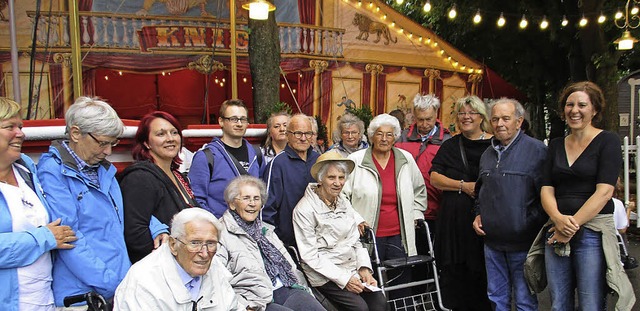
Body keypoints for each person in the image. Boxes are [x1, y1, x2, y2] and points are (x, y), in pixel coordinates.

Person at [37, 97, 143, 307]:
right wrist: (113, 284)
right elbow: (69, 238)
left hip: (116, 287)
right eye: (102, 143)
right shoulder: (52, 171)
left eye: (113, 143)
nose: (108, 152)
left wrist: (157, 228)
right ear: (76, 133)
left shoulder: (103, 169)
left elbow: (120, 215)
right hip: (82, 296)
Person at [539, 82, 634, 310]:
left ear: (595, 110)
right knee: (559, 302)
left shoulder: (607, 141)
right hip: (557, 228)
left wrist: (570, 227)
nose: (574, 110)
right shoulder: (555, 145)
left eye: (582, 105)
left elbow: (604, 192)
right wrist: (558, 220)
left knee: (591, 303)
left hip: (593, 233)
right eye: (569, 105)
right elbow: (546, 188)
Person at [0, 97, 77, 311]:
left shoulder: (25, 169)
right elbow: (48, 235)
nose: (20, 133)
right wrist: (44, 238)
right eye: (9, 127)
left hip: (44, 300)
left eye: (21, 127)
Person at [472, 98, 547, 311]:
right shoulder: (487, 153)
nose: (499, 124)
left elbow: (547, 195)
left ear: (519, 121)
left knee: (524, 301)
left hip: (523, 243)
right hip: (492, 242)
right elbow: (481, 191)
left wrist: (526, 223)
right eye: (495, 119)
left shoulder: (537, 151)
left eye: (506, 118)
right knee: (496, 299)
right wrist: (479, 213)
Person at [293, 152, 387, 311]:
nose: (337, 183)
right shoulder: (304, 209)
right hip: (323, 275)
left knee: (379, 302)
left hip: (350, 267)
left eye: (341, 177)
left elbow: (355, 241)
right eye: (331, 178)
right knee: (359, 308)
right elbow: (310, 255)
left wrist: (364, 269)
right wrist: (345, 279)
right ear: (320, 179)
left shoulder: (343, 202)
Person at [217, 175, 324, 311]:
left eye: (256, 198)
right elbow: (218, 280)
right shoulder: (220, 233)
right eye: (246, 198)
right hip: (253, 300)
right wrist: (243, 306)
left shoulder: (266, 230)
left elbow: (291, 267)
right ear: (232, 203)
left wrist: (304, 289)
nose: (252, 203)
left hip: (285, 287)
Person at [429, 96, 492, 311]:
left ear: (481, 116)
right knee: (453, 274)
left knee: (482, 272)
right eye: (462, 113)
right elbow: (435, 178)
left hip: (484, 221)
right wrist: (463, 186)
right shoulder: (450, 145)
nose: (466, 117)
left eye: (471, 113)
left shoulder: (495, 145)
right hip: (453, 223)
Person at [114, 208, 241, 310]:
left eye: (211, 243)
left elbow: (232, 306)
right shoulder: (144, 279)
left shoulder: (215, 268)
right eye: (195, 243)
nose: (204, 253)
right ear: (173, 245)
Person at [343, 113, 427, 261]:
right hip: (366, 234)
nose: (384, 139)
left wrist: (416, 213)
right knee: (371, 278)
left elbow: (419, 190)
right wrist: (356, 219)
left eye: (389, 134)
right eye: (379, 134)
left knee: (400, 280)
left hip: (400, 235)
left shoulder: (405, 159)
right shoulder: (355, 160)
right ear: (371, 136)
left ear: (395, 137)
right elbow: (342, 196)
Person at [120, 111, 199, 263]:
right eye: (161, 134)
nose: (170, 139)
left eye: (174, 132)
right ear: (146, 142)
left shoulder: (178, 175)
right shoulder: (140, 178)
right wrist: (167, 261)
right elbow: (135, 233)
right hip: (161, 268)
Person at [189, 99, 263, 218]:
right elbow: (196, 199)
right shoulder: (206, 157)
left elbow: (262, 192)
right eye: (233, 119)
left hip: (252, 228)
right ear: (221, 121)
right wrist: (216, 225)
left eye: (243, 119)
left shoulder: (256, 154)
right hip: (220, 229)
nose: (239, 124)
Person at [262, 113, 320, 247]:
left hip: (318, 241)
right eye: (298, 133)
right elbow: (267, 209)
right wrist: (275, 243)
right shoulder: (277, 164)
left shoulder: (319, 160)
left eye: (308, 133)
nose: (304, 138)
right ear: (288, 135)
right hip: (289, 243)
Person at [395, 94, 451, 229]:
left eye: (429, 119)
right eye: (420, 120)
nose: (425, 124)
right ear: (414, 116)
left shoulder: (447, 141)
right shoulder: (402, 138)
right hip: (406, 208)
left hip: (437, 208)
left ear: (436, 114)